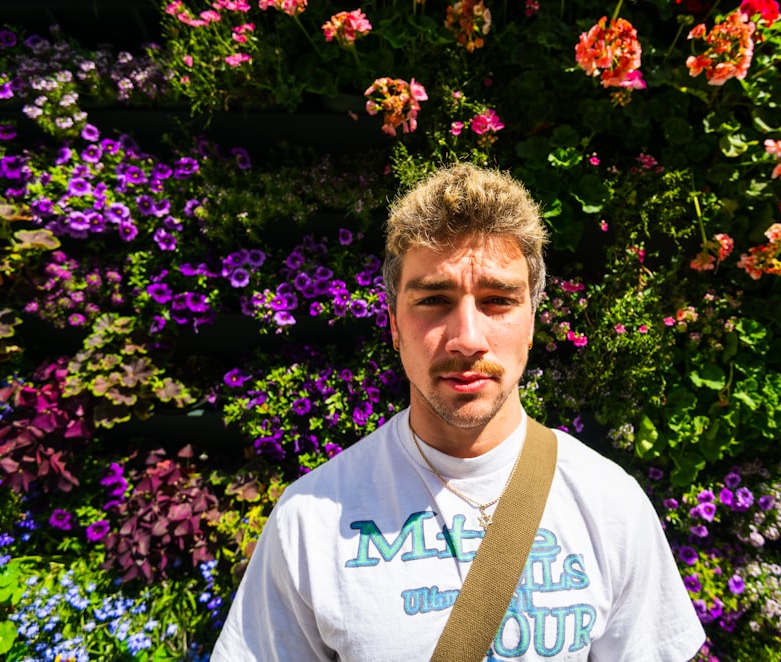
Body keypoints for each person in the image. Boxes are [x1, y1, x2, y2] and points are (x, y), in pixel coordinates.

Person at [212, 163, 705, 661]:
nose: (467, 338)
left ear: (531, 323)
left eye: (497, 300)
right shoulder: (309, 521)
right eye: (433, 300)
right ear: (394, 326)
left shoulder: (609, 503)